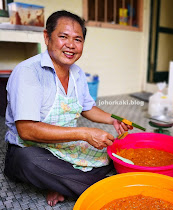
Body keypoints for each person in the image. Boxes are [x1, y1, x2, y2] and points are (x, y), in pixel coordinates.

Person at [4, 10, 132, 207]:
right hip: (31, 148)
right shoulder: (29, 72)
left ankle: (60, 183)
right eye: (63, 37)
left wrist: (112, 119)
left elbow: (87, 108)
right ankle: (98, 188)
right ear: (47, 37)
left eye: (78, 40)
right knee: (27, 161)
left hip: (63, 146)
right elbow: (26, 130)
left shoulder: (77, 74)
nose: (71, 45)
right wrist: (84, 133)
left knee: (107, 155)